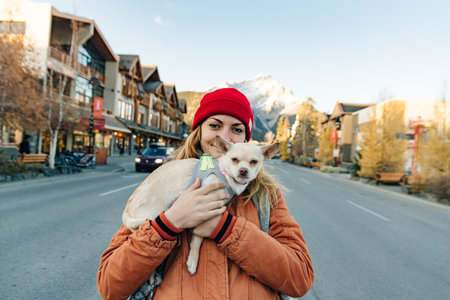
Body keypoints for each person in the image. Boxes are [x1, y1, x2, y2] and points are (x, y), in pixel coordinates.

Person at [97, 88, 314, 299]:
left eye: (236, 129)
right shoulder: (167, 182)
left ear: (246, 140)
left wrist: (227, 229)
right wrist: (168, 224)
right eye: (215, 125)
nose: (224, 136)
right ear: (199, 130)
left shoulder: (265, 196)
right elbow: (110, 286)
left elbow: (300, 278)